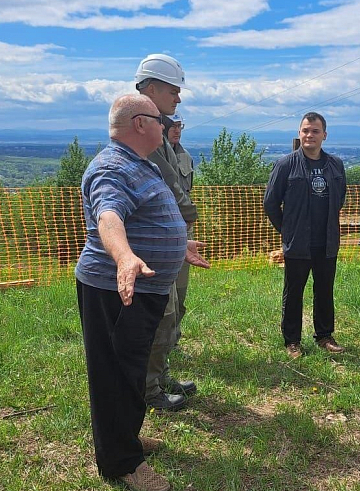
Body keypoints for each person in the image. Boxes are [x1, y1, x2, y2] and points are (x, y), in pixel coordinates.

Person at [75, 94, 210, 491]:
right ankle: (122, 464)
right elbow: (109, 214)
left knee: (132, 368)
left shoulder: (140, 164)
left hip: (140, 287)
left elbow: (144, 214)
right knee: (115, 375)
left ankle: (126, 438)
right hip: (117, 289)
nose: (165, 125)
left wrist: (177, 245)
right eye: (159, 118)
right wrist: (124, 257)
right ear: (139, 123)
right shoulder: (112, 167)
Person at [135, 54, 199, 411]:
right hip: (154, 238)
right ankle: (149, 391)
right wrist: (189, 216)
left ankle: (158, 378)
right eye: (173, 90)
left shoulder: (158, 128)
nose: (178, 98)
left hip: (169, 236)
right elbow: (169, 186)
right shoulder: (144, 130)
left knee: (172, 311)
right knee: (159, 315)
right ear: (153, 88)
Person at [263, 112, 347, 359]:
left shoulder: (335, 165)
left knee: (324, 289)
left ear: (324, 135)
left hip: (327, 241)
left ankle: (324, 336)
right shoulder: (286, 164)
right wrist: (287, 230)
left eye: (315, 131)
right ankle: (292, 341)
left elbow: (339, 197)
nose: (309, 135)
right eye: (305, 131)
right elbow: (270, 203)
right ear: (299, 134)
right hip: (298, 242)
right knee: (294, 292)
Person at [166, 112, 195, 333]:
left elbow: (186, 193)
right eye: (172, 126)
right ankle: (160, 344)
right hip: (162, 231)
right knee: (164, 293)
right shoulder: (151, 154)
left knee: (181, 289)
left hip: (184, 231)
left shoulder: (185, 156)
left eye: (179, 126)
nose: (176, 130)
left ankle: (173, 337)